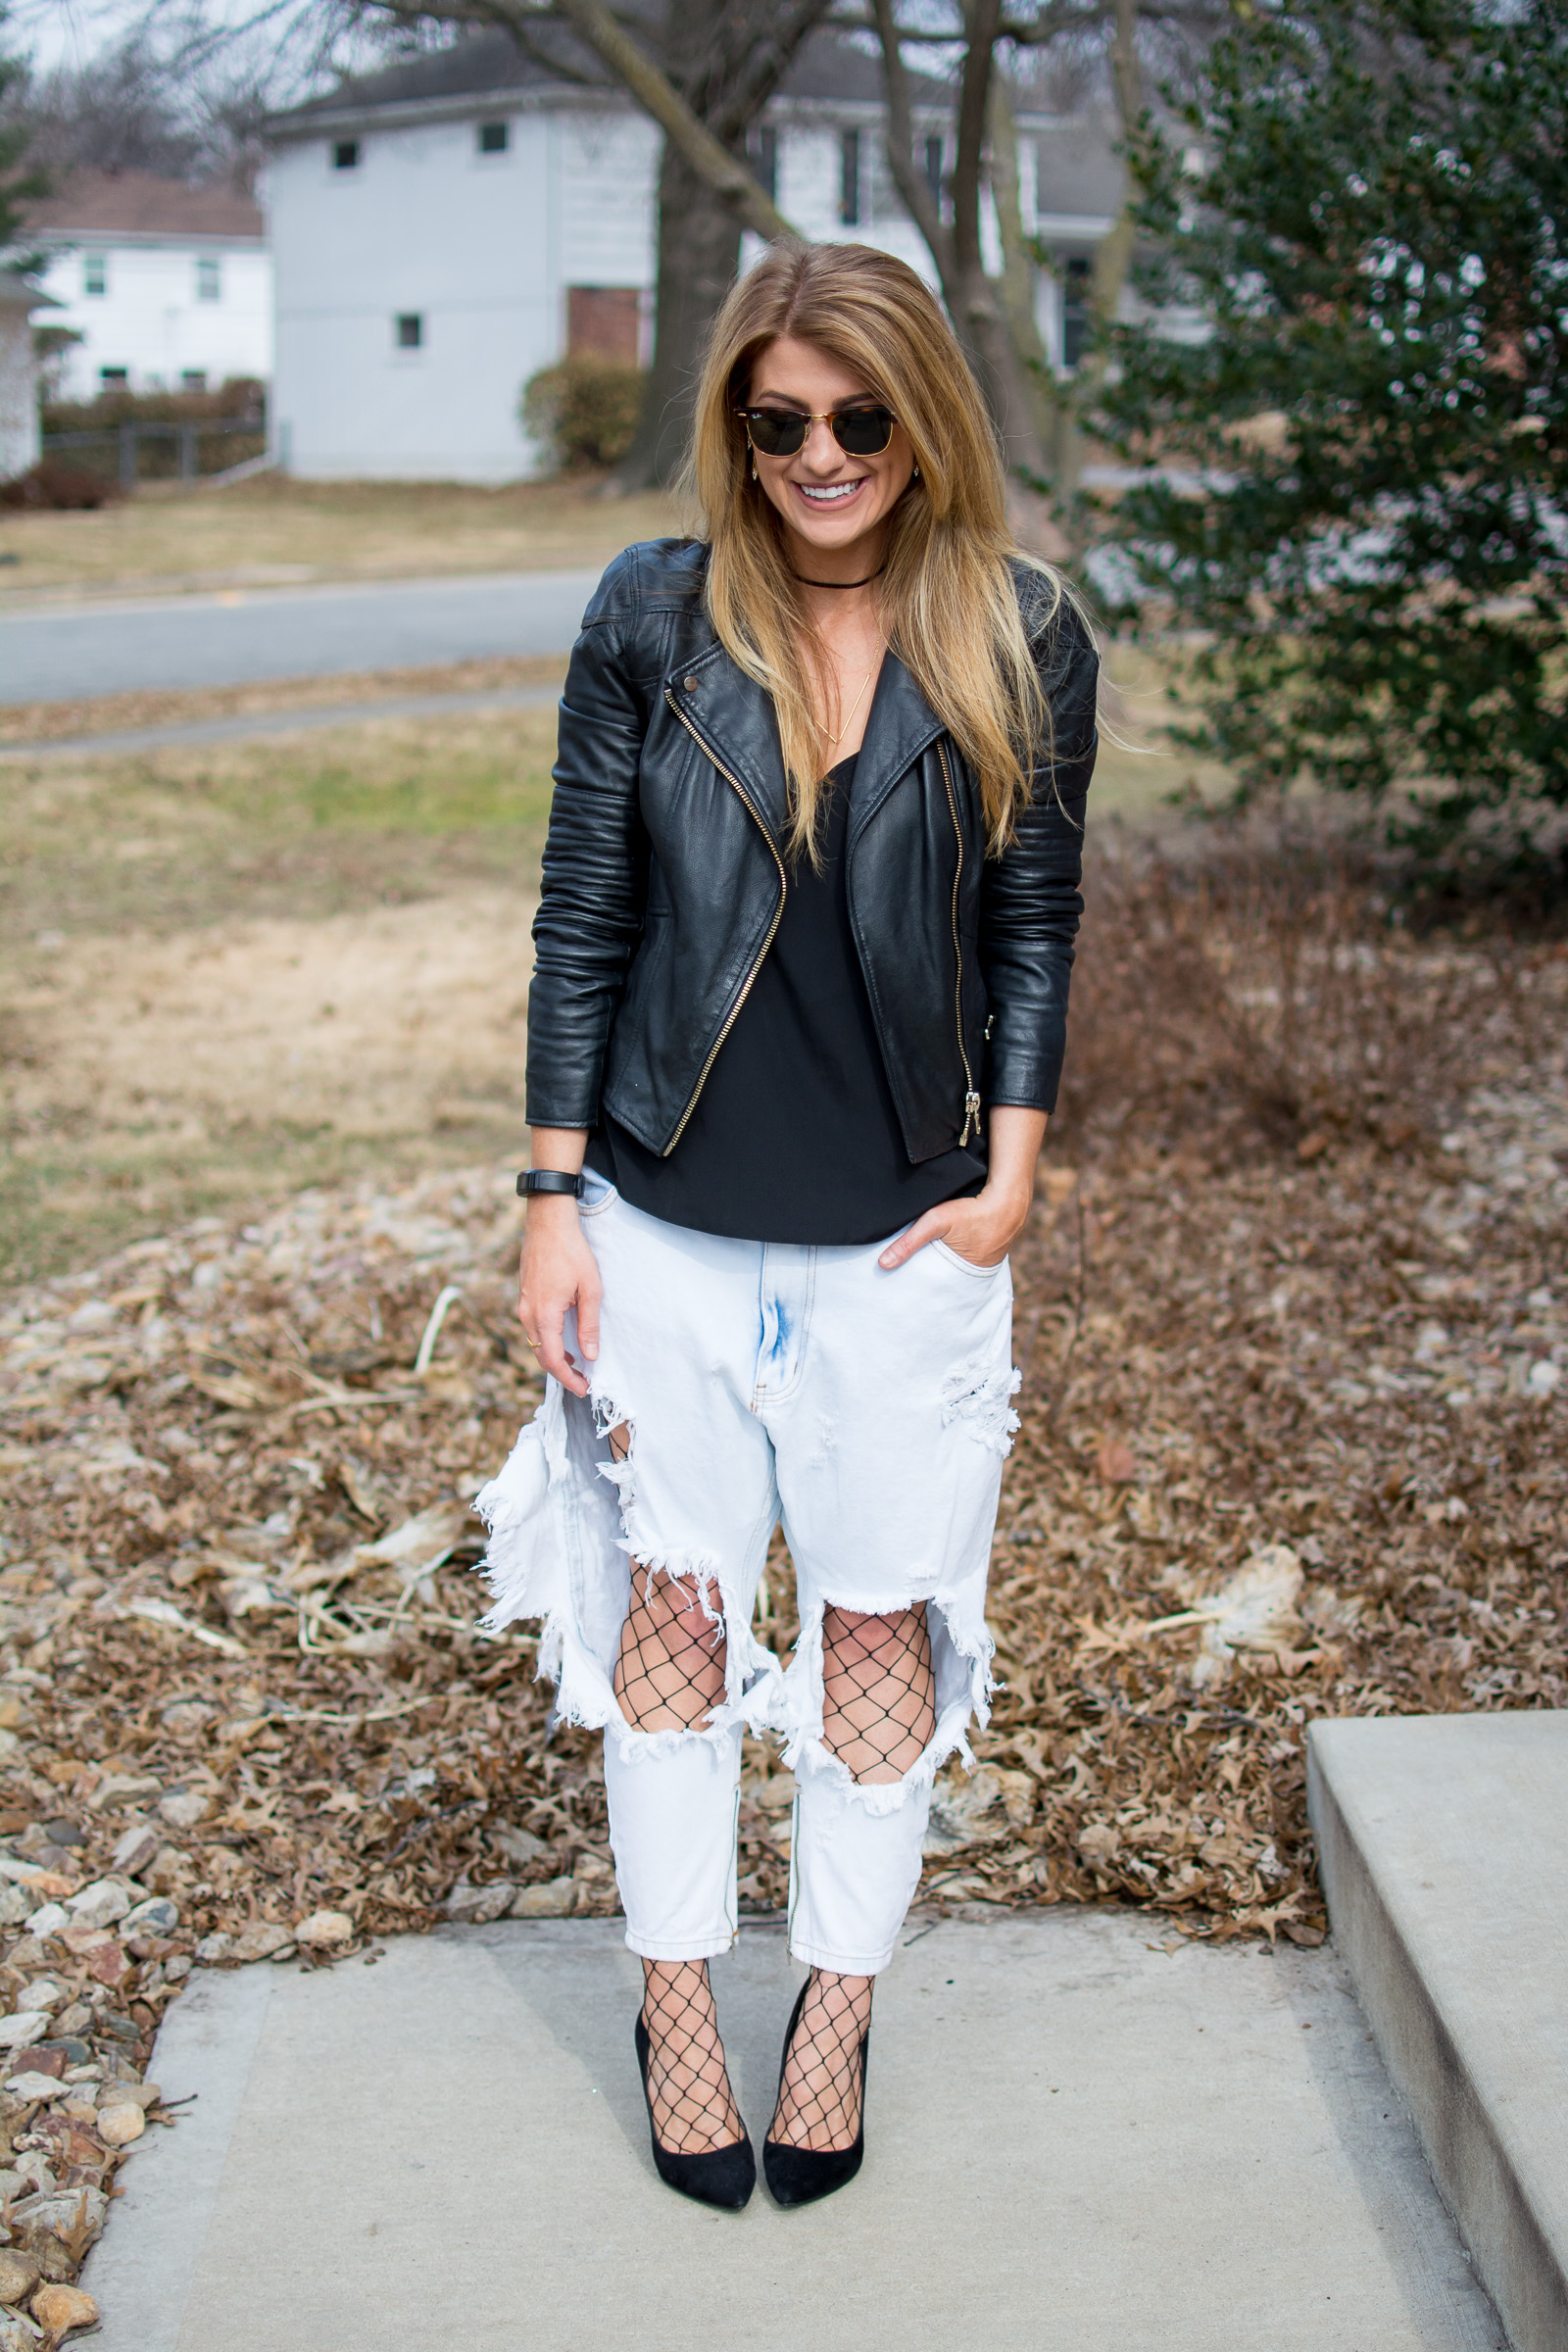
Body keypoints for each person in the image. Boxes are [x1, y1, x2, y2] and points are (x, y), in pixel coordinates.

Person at [476, 238, 1099, 2212]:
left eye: (855, 419)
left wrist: (1010, 1169)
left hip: (902, 1234)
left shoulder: (1017, 627)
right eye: (774, 422)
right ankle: (677, 2010)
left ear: (922, 418)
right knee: (672, 1613)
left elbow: (1028, 920)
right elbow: (585, 911)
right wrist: (550, 1197)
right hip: (661, 1216)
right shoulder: (655, 618)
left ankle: (828, 2012)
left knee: (871, 1622)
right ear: (732, 426)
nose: (816, 456)